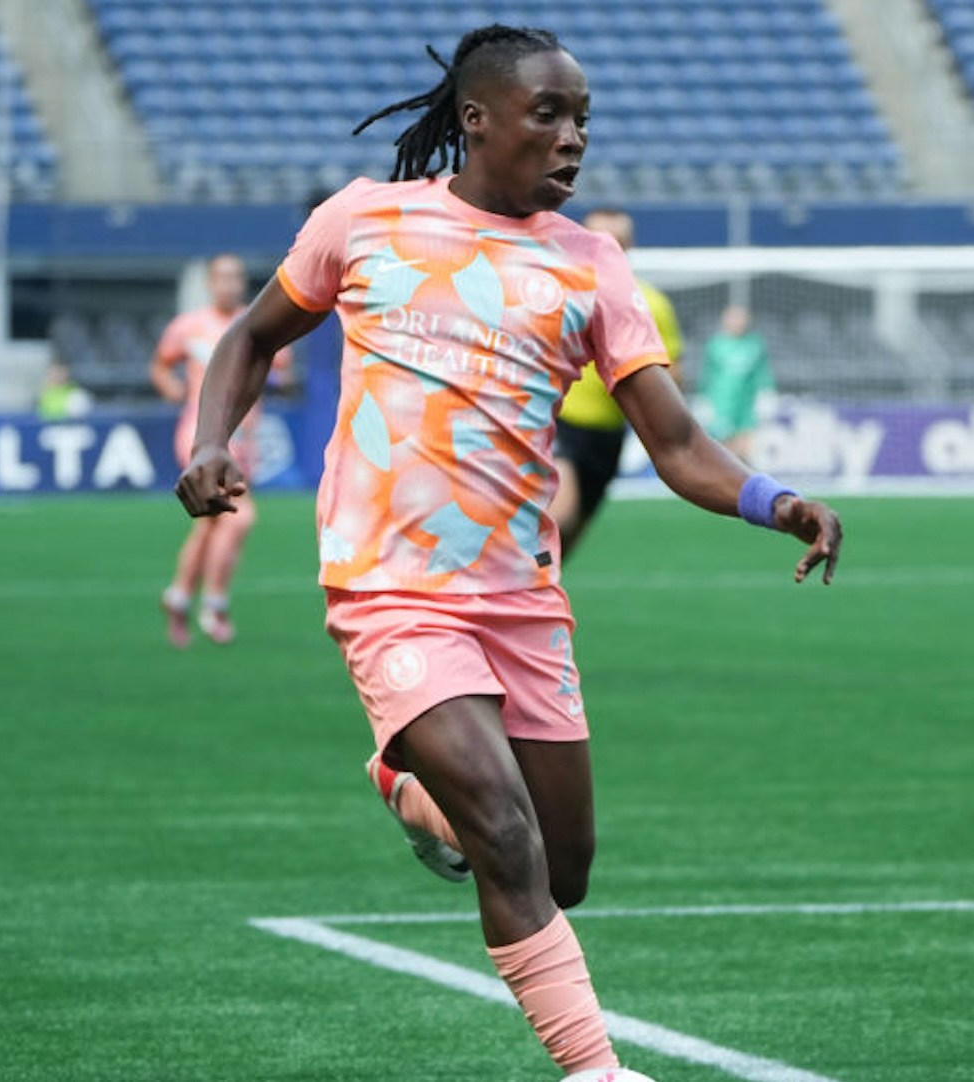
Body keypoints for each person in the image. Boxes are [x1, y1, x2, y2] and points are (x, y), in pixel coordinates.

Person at [174, 25, 841, 1080]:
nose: (573, 138)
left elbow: (673, 441)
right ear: (477, 119)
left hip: (520, 597)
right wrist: (210, 440)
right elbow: (251, 337)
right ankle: (597, 1068)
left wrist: (775, 499)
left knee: (559, 864)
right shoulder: (364, 220)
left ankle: (405, 783)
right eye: (550, 115)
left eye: (582, 119)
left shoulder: (591, 264)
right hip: (391, 588)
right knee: (506, 835)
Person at [151, 253, 292, 647]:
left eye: (236, 277)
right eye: (223, 277)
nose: (230, 284)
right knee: (239, 516)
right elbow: (160, 364)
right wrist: (171, 388)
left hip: (244, 436)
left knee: (211, 522)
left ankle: (178, 597)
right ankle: (214, 603)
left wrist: (277, 375)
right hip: (200, 435)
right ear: (211, 282)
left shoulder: (256, 321)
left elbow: (281, 364)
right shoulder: (189, 327)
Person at [546, 207, 684, 557]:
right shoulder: (555, 290)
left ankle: (535, 601)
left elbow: (671, 376)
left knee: (569, 542)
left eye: (616, 242)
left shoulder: (651, 303)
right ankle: (510, 590)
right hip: (558, 423)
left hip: (607, 438)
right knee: (559, 516)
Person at [699, 305, 774, 462]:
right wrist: (703, 398)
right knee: (723, 447)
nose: (738, 322)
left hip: (747, 404)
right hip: (722, 403)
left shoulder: (755, 344)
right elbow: (707, 374)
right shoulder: (715, 345)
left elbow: (763, 373)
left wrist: (767, 392)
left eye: (741, 318)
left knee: (746, 445)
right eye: (733, 318)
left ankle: (744, 479)